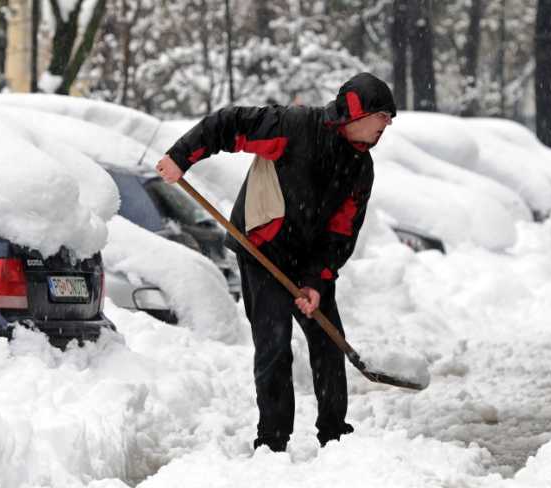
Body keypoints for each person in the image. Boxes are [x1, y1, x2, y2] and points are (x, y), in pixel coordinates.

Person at [156, 72, 396, 452]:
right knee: (274, 346)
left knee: (328, 345)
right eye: (382, 116)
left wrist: (316, 282)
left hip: (308, 259)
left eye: (389, 119)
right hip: (261, 250)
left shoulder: (360, 168)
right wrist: (181, 156)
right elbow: (229, 124)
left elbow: (340, 234)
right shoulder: (295, 127)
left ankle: (335, 435)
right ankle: (272, 441)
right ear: (355, 114)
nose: (387, 125)